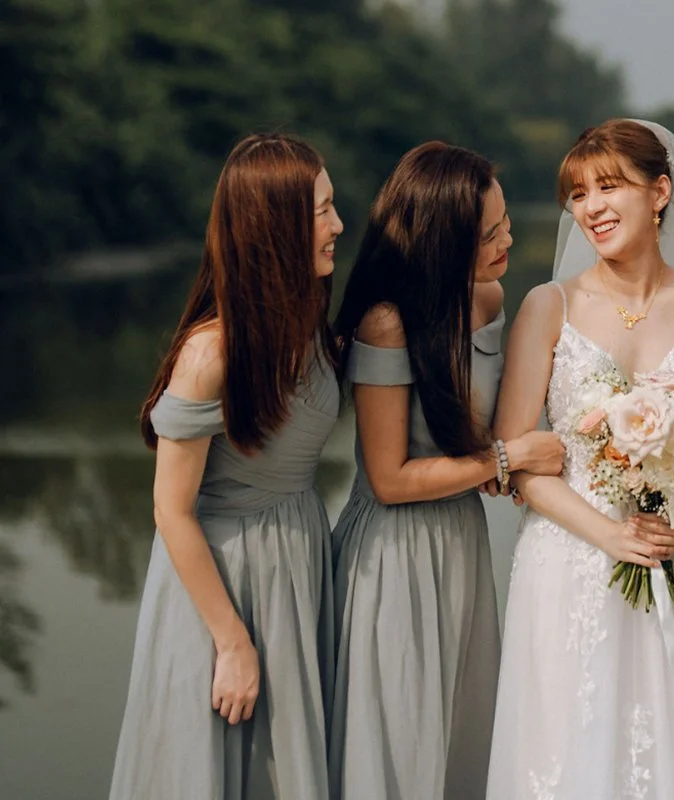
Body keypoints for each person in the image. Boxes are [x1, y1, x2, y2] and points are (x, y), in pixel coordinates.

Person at [485, 119, 674, 799]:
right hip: (570, 561)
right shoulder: (548, 306)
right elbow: (521, 463)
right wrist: (610, 536)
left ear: (660, 192)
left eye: (609, 187)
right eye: (579, 194)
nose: (592, 208)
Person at [326, 141, 563, 800]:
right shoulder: (387, 323)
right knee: (401, 745)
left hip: (461, 538)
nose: (507, 241)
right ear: (441, 239)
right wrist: (507, 459)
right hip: (394, 555)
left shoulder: (487, 299)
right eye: (489, 235)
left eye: (506, 223)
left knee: (462, 739)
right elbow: (390, 479)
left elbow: (486, 428)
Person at [110, 133, 344, 799]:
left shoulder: (311, 324)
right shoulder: (210, 354)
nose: (338, 225)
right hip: (223, 583)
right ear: (275, 228)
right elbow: (171, 511)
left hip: (299, 561)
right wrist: (233, 642)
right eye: (322, 211)